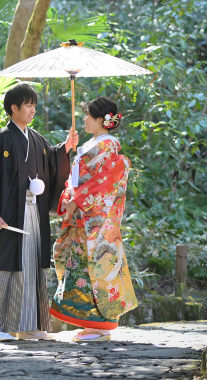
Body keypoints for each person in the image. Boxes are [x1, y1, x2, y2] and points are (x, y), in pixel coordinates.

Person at [0, 83, 77, 341]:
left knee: (32, 266)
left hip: (34, 212)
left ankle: (29, 326)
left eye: (34, 106)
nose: (32, 110)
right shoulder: (1, 139)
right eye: (28, 105)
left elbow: (52, 160)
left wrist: (65, 148)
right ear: (14, 108)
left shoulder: (36, 139)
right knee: (2, 266)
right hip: (7, 215)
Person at [49, 96, 138, 342]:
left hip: (95, 221)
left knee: (96, 269)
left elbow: (103, 183)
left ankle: (102, 327)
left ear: (101, 119)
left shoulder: (108, 146)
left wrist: (77, 200)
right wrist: (69, 197)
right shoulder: (93, 144)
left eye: (88, 115)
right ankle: (92, 324)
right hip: (83, 217)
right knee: (83, 269)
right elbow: (77, 180)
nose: (84, 119)